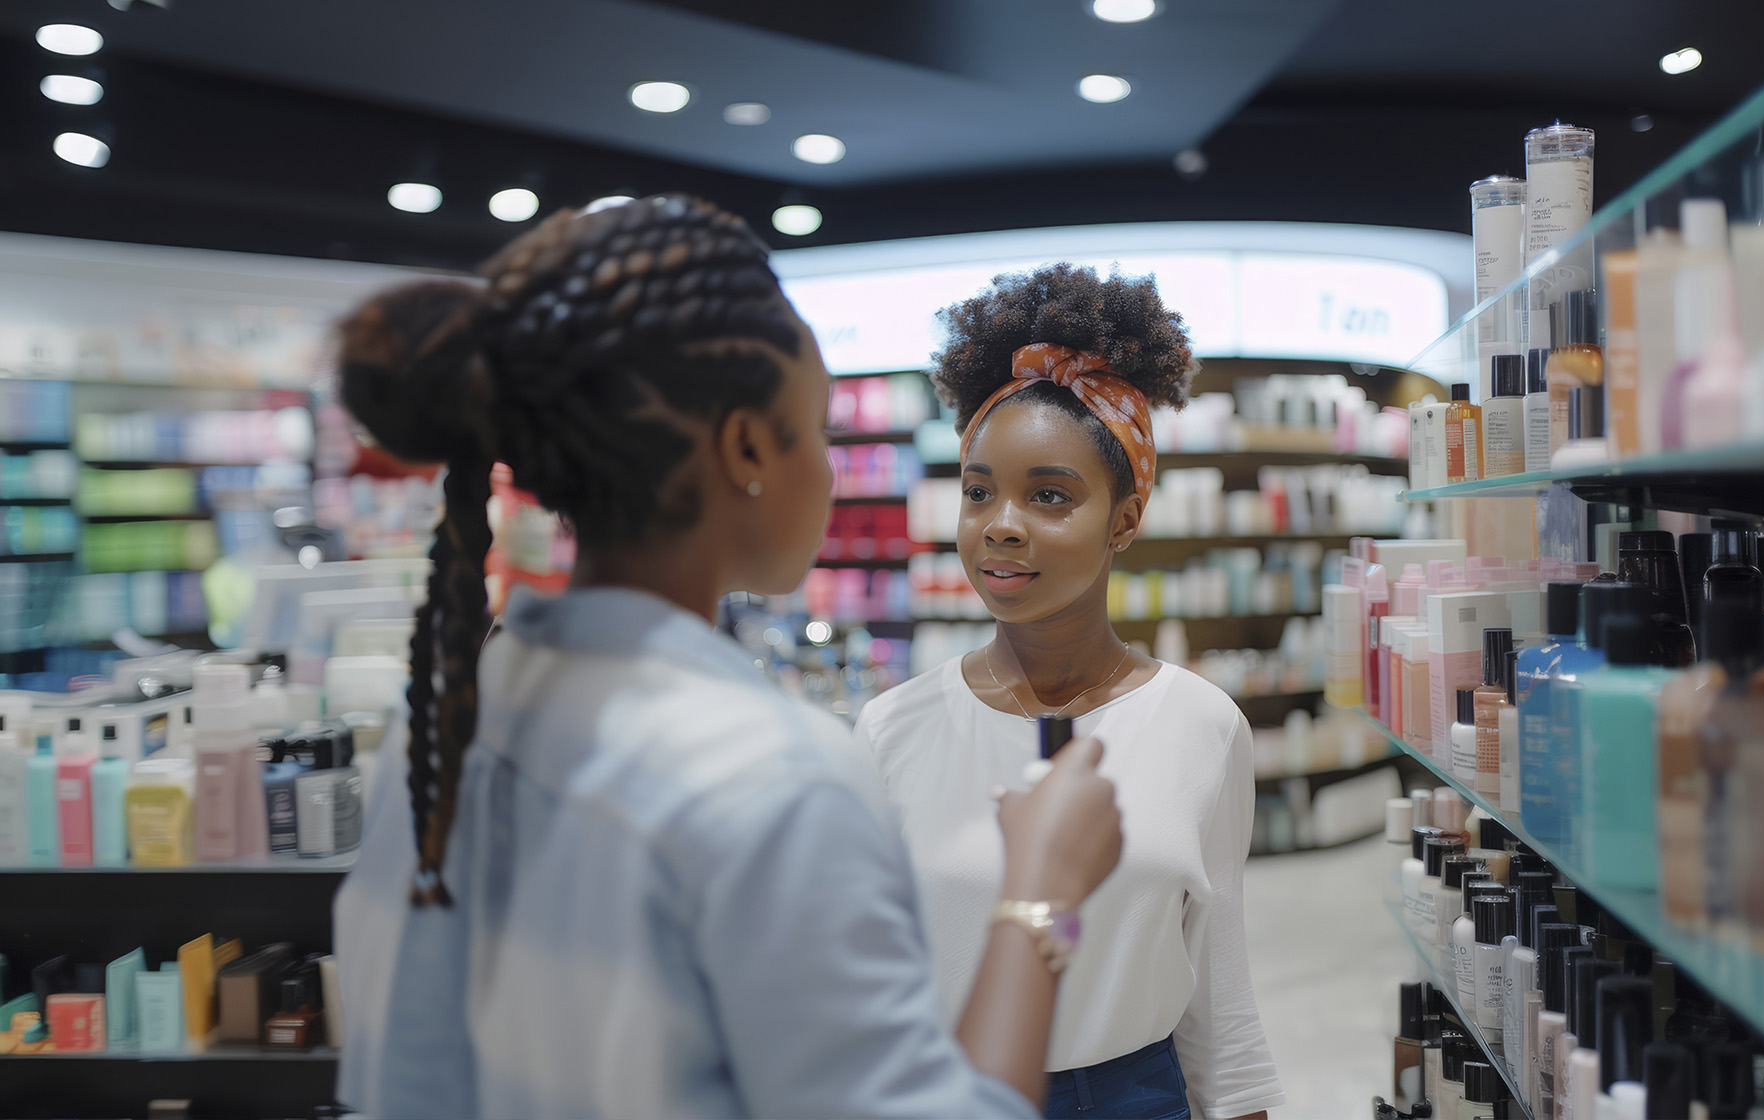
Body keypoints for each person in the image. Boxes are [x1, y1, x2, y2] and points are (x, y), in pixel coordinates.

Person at [329, 195, 1125, 1118]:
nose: (830, 471)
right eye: (819, 427)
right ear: (747, 446)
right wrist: (1040, 893)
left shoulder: (441, 731)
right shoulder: (775, 782)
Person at [854, 265, 1285, 1120]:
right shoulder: (890, 729)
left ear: (1125, 520)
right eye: (979, 492)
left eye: (1049, 495)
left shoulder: (1202, 726)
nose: (1001, 523)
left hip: (1137, 1095)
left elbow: (1219, 997)